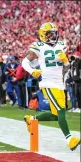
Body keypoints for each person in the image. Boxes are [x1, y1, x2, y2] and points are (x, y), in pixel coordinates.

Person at [22, 22, 80, 151]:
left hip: (59, 83)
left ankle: (32, 119)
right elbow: (25, 61)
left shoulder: (61, 45)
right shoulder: (38, 46)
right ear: (43, 35)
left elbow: (66, 68)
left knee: (56, 115)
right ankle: (70, 139)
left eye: (54, 33)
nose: (53, 36)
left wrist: (66, 62)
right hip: (47, 83)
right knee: (60, 111)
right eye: (49, 34)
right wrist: (32, 71)